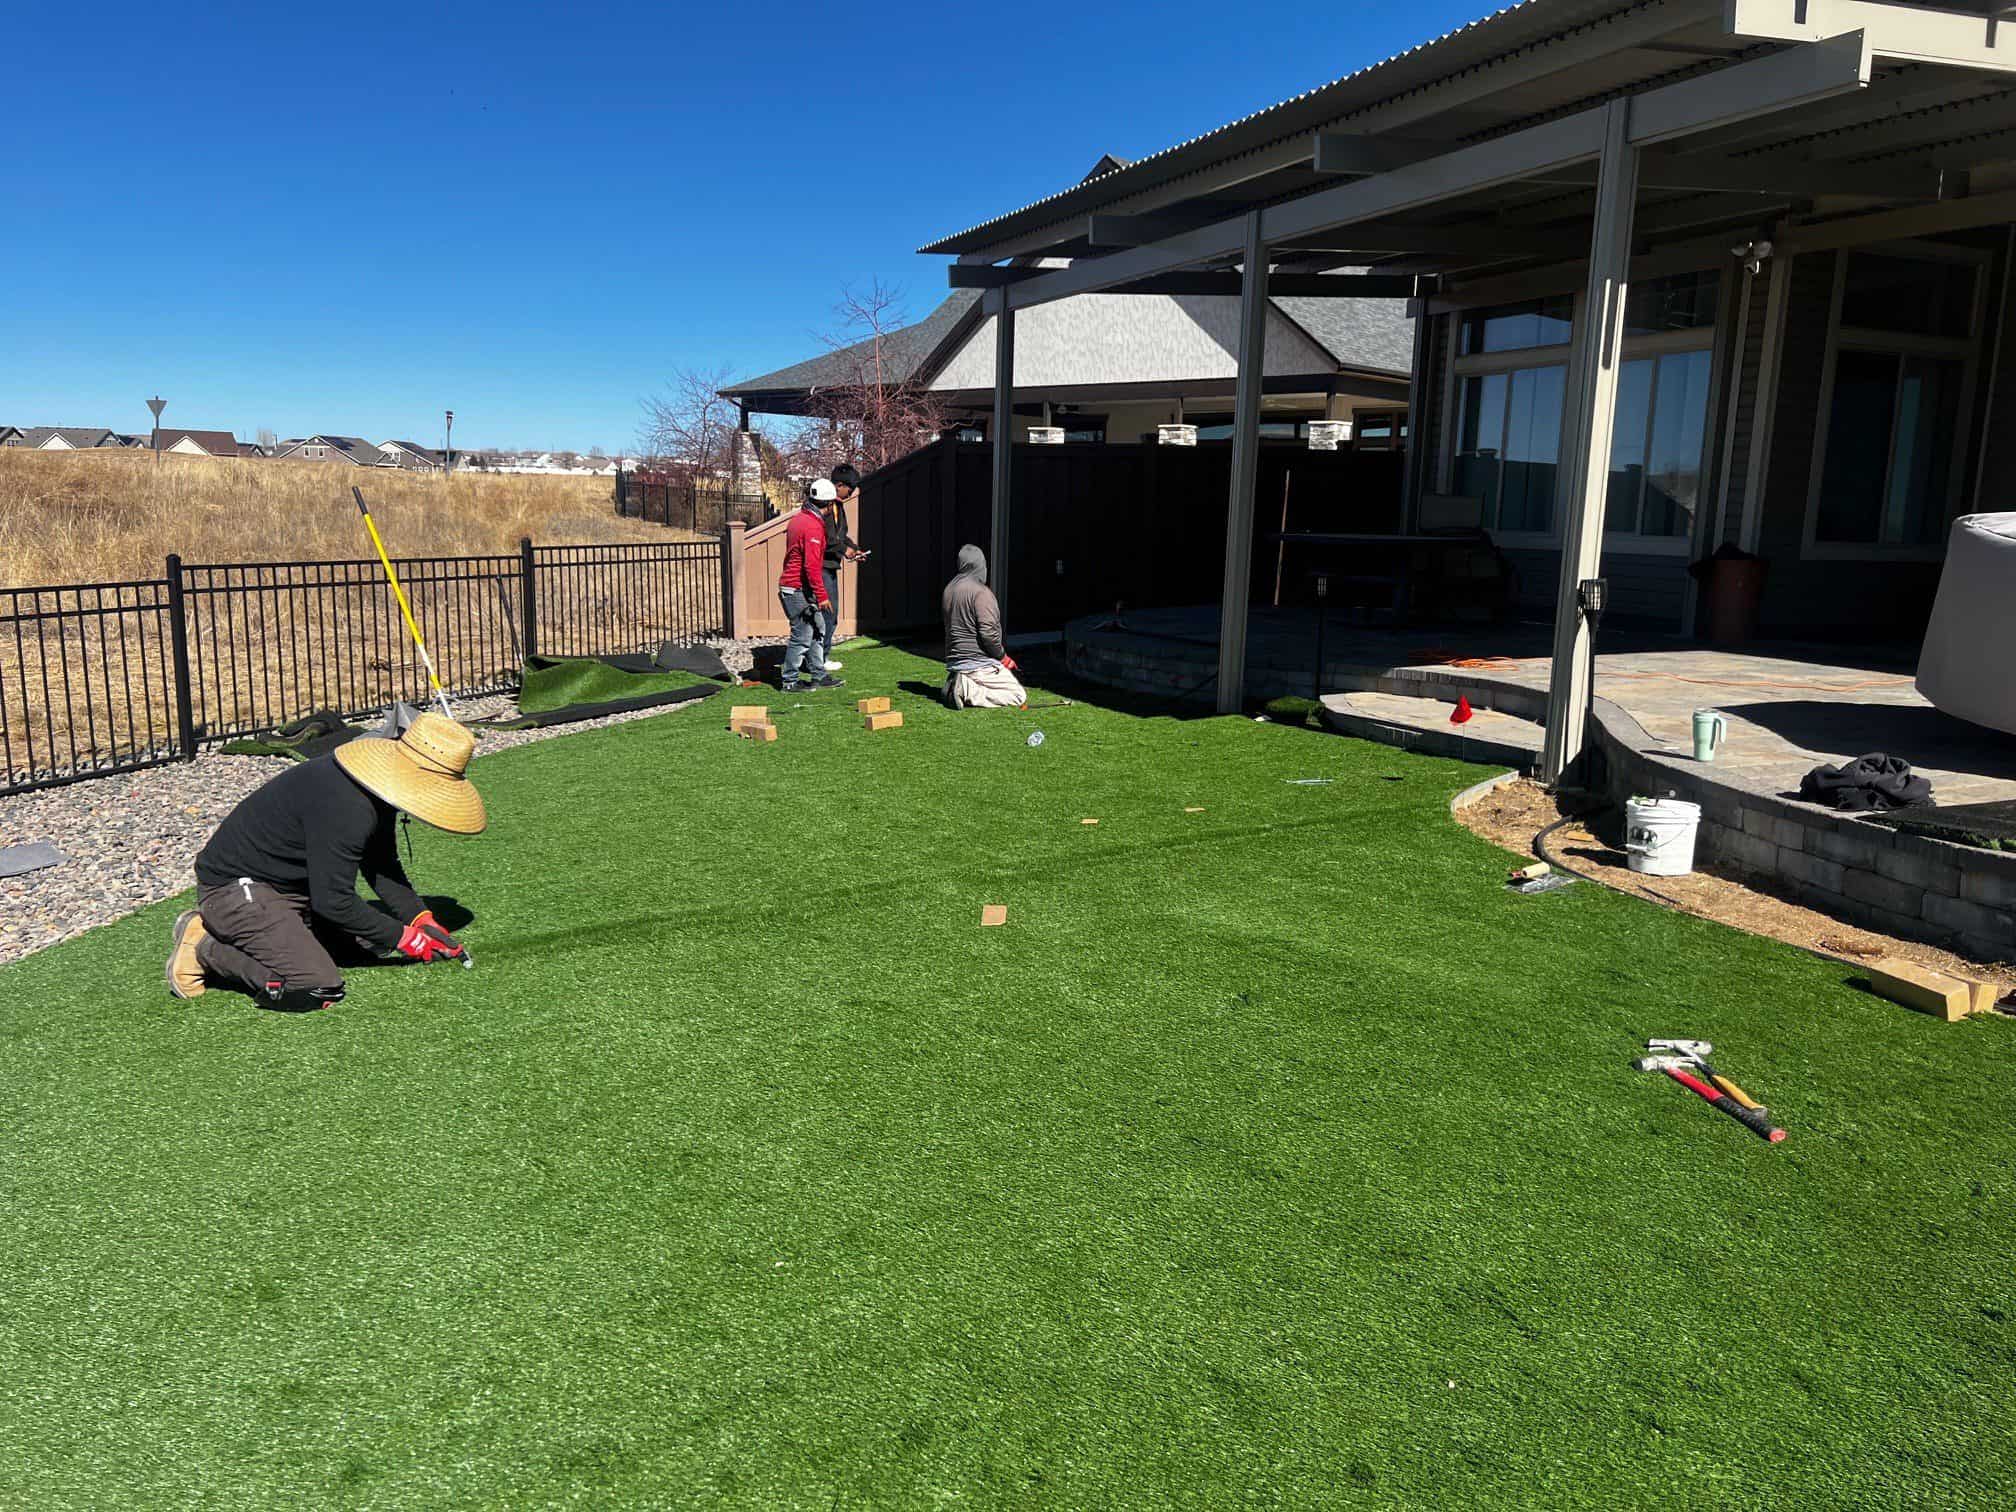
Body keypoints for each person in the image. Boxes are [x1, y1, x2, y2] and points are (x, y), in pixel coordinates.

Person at [165, 712, 485, 1011]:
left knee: (370, 945)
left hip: (294, 890)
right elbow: (333, 902)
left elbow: (381, 864)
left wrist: (420, 920)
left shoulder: (377, 789)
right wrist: (405, 937)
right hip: (235, 891)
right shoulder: (349, 807)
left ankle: (277, 935)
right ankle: (204, 946)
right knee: (316, 986)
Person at [941, 544, 1026, 709]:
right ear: (980, 565)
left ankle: (958, 682)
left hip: (954, 661)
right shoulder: (981, 592)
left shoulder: (949, 590)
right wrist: (1003, 657)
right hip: (978, 662)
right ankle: (966, 689)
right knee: (1017, 695)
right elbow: (988, 634)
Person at [778, 480, 844, 692]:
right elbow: (812, 566)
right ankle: (790, 681)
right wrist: (822, 596)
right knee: (803, 632)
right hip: (796, 588)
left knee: (817, 627)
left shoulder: (799, 519)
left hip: (798, 587)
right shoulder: (813, 526)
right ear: (829, 503)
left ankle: (819, 674)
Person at [817, 463, 867, 672]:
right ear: (839, 485)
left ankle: (819, 656)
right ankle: (819, 659)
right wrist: (843, 550)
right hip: (820, 566)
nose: (852, 492)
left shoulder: (838, 506)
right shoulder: (825, 504)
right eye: (850, 488)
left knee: (830, 614)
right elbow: (826, 538)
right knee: (827, 614)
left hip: (830, 565)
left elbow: (839, 536)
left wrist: (854, 549)